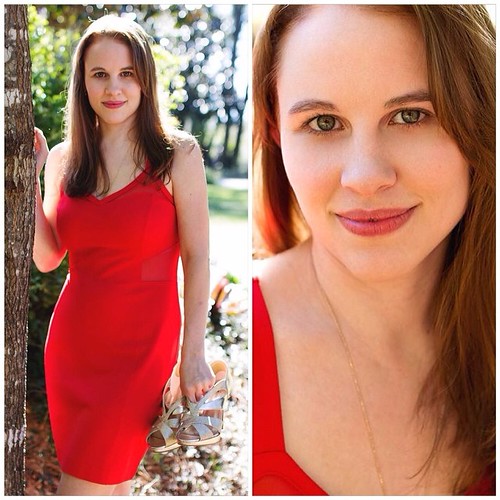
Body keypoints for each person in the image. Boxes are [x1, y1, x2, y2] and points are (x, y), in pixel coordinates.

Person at [252, 5, 494, 495]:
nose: (365, 178)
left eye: (411, 115)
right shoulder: (236, 345)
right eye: (323, 123)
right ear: (276, 132)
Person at [33, 14, 218, 495]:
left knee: (86, 486)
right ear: (84, 82)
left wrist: (192, 353)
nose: (113, 88)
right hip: (73, 349)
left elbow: (198, 257)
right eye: (99, 74)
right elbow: (48, 257)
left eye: (126, 73)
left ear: (144, 80)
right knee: (108, 486)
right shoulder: (63, 159)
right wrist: (26, 192)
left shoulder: (178, 155)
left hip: (141, 351)